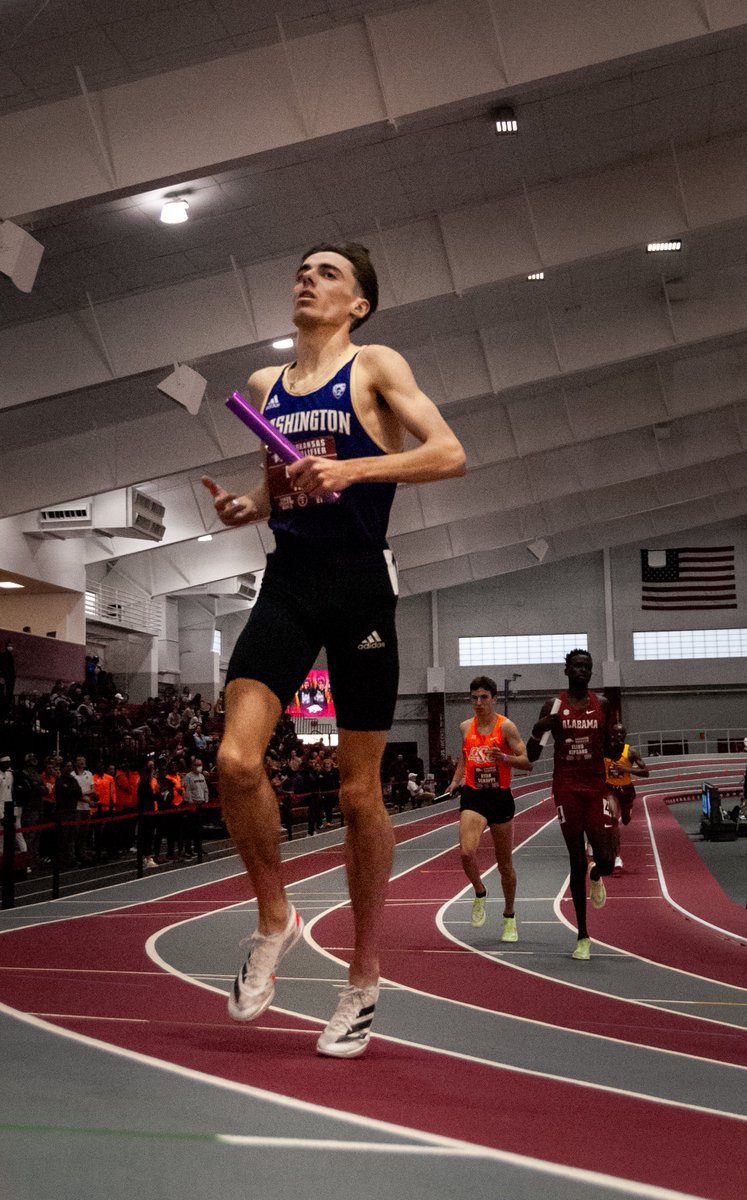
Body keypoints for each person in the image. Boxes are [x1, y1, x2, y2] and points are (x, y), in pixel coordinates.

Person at [201, 241, 464, 1058]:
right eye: (303, 271)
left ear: (358, 304)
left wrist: (353, 470)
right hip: (288, 580)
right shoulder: (262, 388)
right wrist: (250, 504)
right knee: (237, 762)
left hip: (359, 584)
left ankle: (363, 977)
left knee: (358, 798)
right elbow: (281, 483)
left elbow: (449, 454)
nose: (307, 279)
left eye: (328, 274)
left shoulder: (377, 364)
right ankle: (274, 919)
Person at [526, 649, 616, 962]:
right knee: (576, 857)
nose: (582, 670)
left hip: (595, 788)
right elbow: (533, 756)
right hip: (566, 788)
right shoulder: (554, 706)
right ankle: (582, 935)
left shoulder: (602, 704)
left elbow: (613, 749)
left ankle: (597, 875)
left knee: (605, 859)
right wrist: (539, 728)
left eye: (587, 667)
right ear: (566, 670)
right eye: (577, 666)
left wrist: (619, 739)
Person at [449, 676, 530, 943]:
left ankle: (509, 916)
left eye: (484, 697)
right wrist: (455, 780)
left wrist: (504, 758)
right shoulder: (464, 727)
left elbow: (527, 762)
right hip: (474, 796)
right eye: (474, 698)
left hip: (500, 798)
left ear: (494, 699)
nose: (479, 703)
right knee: (465, 852)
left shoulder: (506, 727)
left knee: (504, 865)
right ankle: (480, 892)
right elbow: (464, 756)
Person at [603, 721, 649, 875]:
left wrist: (626, 769)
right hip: (611, 790)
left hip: (626, 791)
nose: (619, 735)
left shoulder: (631, 752)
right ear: (611, 735)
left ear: (625, 735)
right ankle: (617, 858)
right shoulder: (604, 751)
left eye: (622, 733)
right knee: (614, 820)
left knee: (626, 820)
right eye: (616, 733)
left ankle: (628, 811)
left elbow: (646, 772)